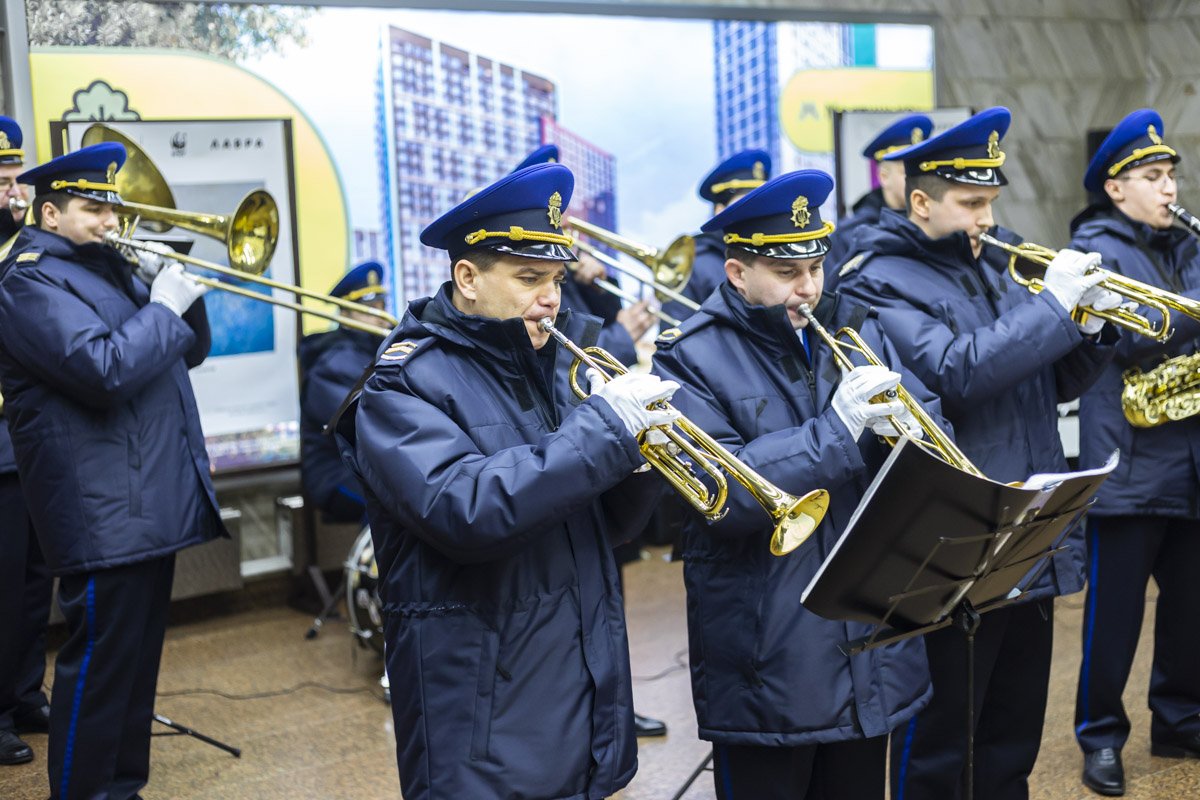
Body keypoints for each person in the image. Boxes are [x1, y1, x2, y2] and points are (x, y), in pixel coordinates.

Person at [334, 162, 680, 799]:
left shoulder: (556, 367)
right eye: (527, 278)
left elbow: (605, 531)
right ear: (466, 277)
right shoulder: (401, 385)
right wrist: (604, 433)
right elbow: (467, 512)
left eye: (552, 278)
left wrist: (637, 462)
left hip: (575, 695)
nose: (550, 297)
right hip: (483, 720)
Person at [838, 106, 1122, 799]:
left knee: (1012, 732)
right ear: (921, 200)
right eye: (970, 203)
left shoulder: (997, 265)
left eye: (990, 201)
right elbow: (957, 374)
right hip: (951, 534)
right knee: (939, 742)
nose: (985, 218)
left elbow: (1048, 381)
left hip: (1027, 522)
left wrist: (1089, 328)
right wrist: (1053, 311)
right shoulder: (877, 278)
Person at [653, 168, 946, 799]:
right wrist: (840, 431)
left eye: (816, 267)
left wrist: (911, 430)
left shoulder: (854, 329)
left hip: (868, 636)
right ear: (737, 272)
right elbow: (723, 491)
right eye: (788, 273)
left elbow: (935, 420)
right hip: (769, 654)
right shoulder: (687, 357)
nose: (808, 288)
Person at [0, 142, 226, 800]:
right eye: (93, 207)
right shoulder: (27, 282)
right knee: (100, 674)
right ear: (48, 213)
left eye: (112, 207)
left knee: (133, 674)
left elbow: (191, 351)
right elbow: (104, 371)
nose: (110, 220)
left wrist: (181, 295)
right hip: (101, 509)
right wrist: (161, 305)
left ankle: (121, 790)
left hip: (146, 500)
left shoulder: (110, 271)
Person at [1068, 108, 1200, 796]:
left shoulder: (1185, 243)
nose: (1170, 188)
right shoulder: (1095, 247)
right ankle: (1100, 736)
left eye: (1172, 174)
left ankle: (1179, 720)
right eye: (1153, 177)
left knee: (1190, 610)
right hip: (1127, 461)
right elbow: (1132, 328)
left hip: (1191, 461)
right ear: (1115, 188)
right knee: (1113, 618)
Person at [0, 114, 52, 769]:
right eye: (0, 177)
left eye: (15, 175)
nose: (10, 189)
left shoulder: (31, 243)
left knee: (37, 576)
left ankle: (25, 691)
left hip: (37, 436)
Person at [513, 144, 653, 365]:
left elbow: (601, 322)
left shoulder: (569, 265)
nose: (564, 219)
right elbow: (555, 364)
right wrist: (621, 338)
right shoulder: (522, 268)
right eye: (552, 209)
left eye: (562, 206)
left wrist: (598, 288)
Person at [299, 260, 390, 524]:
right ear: (345, 315)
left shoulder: (381, 349)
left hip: (369, 464)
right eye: (368, 309)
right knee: (396, 499)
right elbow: (364, 426)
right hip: (334, 472)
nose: (379, 315)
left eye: (381, 306)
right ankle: (379, 564)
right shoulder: (332, 361)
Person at [662, 149, 771, 323]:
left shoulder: (771, 252)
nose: (756, 211)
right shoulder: (693, 262)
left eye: (761, 203)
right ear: (719, 210)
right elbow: (673, 334)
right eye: (746, 203)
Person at [823, 113, 932, 283]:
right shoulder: (850, 235)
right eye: (909, 173)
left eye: (924, 172)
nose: (920, 181)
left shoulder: (937, 224)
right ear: (884, 177)